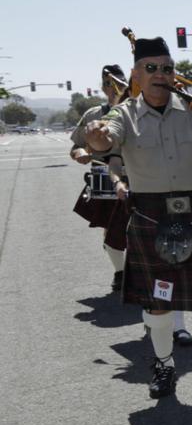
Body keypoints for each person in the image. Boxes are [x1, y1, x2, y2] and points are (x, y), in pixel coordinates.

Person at [84, 36, 192, 415]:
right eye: (152, 68)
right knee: (157, 305)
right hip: (150, 219)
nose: (162, 75)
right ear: (137, 75)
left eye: (168, 68)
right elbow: (104, 137)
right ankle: (163, 366)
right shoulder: (123, 115)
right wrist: (96, 138)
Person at [70, 65, 127, 291]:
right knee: (110, 228)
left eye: (117, 84)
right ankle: (121, 272)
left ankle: (138, 268)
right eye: (107, 84)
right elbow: (76, 147)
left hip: (137, 176)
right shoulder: (93, 114)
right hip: (104, 178)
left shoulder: (137, 110)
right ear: (103, 88)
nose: (112, 89)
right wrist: (80, 153)